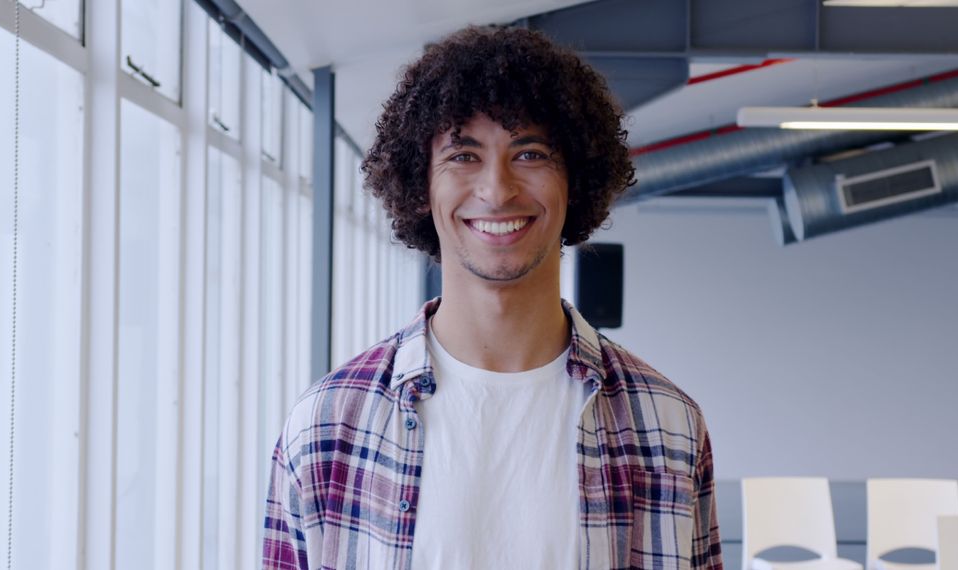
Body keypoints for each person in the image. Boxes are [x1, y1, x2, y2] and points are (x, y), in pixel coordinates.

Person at [262, 25, 722, 570]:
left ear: (575, 180)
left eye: (529, 153)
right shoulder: (328, 426)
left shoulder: (665, 426)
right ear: (420, 184)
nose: (498, 189)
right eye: (463, 155)